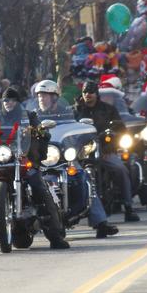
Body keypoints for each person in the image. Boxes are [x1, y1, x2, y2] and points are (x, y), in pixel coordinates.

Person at [0, 86, 69, 253]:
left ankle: (56, 237)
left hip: (22, 161)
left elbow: (40, 130)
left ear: (17, 102)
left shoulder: (29, 116)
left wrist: (41, 131)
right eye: (5, 100)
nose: (8, 103)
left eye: (12, 100)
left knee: (40, 188)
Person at [32, 79, 119, 238]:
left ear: (55, 97)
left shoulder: (67, 112)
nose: (41, 99)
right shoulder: (33, 115)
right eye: (39, 96)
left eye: (45, 95)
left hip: (62, 157)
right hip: (39, 160)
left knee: (85, 178)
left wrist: (81, 136)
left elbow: (76, 128)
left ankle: (101, 222)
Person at [76, 82, 140, 223]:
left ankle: (128, 207)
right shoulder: (76, 111)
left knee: (121, 169)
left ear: (97, 93)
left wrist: (109, 146)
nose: (88, 95)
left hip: (105, 150)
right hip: (82, 154)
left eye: (91, 92)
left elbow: (120, 129)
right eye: (85, 92)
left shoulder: (108, 109)